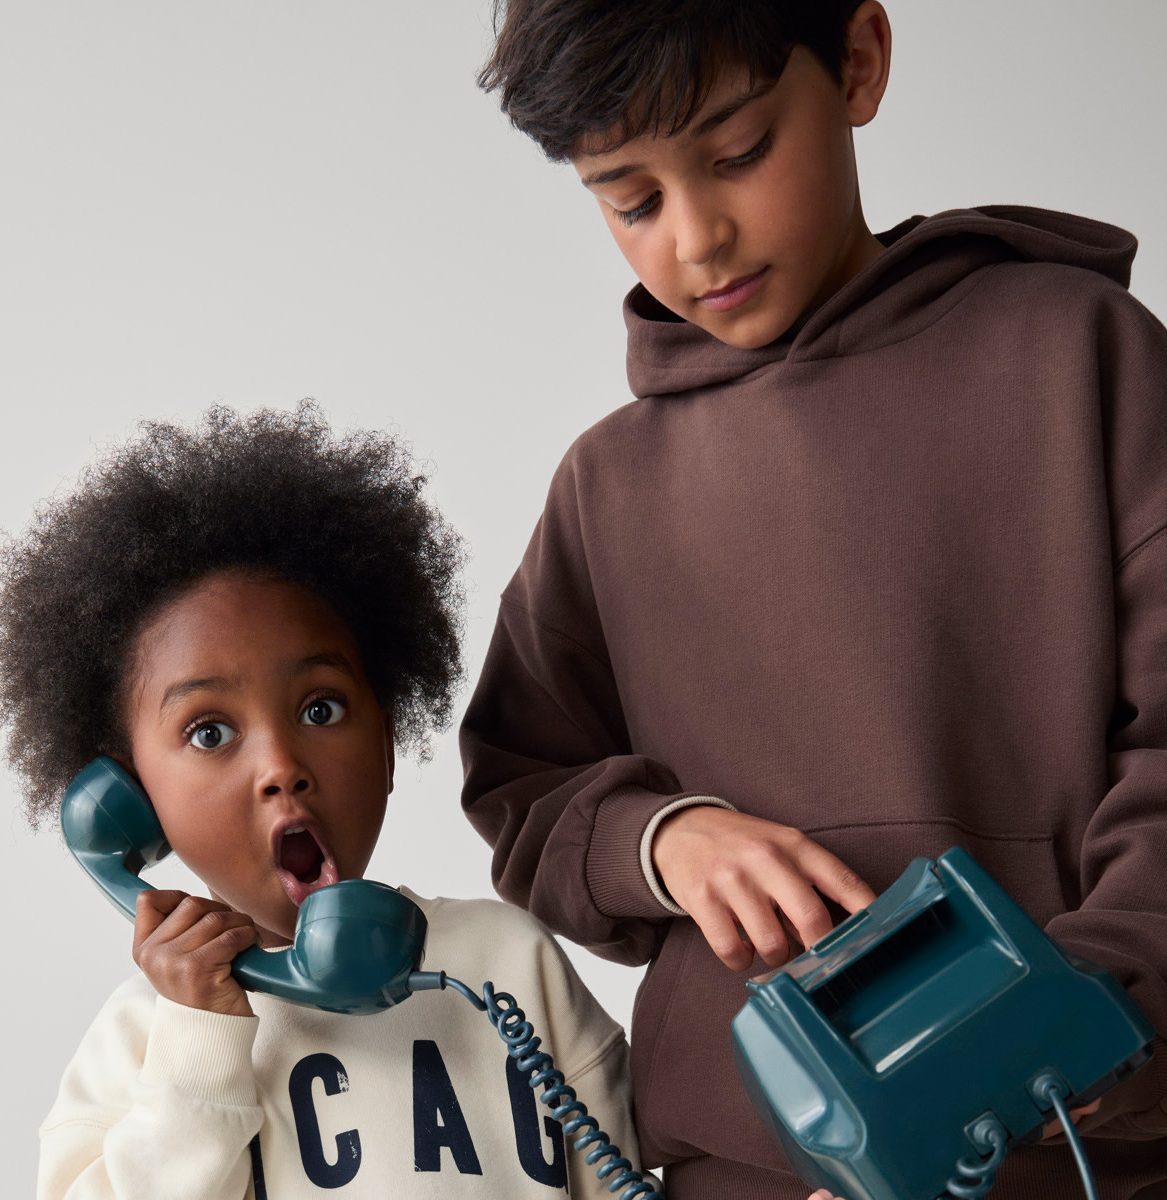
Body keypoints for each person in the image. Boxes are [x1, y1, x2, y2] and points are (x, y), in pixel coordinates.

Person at [460, 2, 1167, 1197]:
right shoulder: (608, 483)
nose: (698, 235)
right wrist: (663, 840)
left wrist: (1087, 1004)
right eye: (631, 200)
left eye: (737, 154)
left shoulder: (1079, 356)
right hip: (733, 1165)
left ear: (857, 61)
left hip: (1067, 1139)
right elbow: (521, 784)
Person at [0, 403, 647, 1200]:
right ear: (132, 802)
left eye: (320, 709)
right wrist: (201, 1037)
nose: (280, 767)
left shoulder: (510, 963)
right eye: (209, 732)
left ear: (390, 740)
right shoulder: (134, 1045)